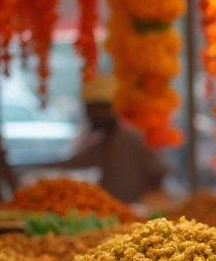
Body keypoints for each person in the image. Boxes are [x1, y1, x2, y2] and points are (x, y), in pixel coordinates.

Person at [53, 74, 167, 203]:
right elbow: (74, 162)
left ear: (112, 109)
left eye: (96, 109)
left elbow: (159, 172)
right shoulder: (104, 142)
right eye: (89, 110)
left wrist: (151, 199)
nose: (91, 115)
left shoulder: (133, 138)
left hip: (137, 212)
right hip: (113, 212)